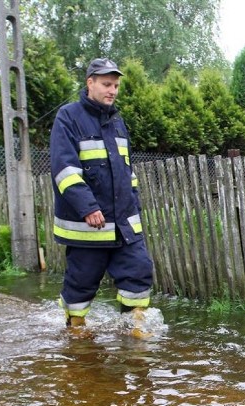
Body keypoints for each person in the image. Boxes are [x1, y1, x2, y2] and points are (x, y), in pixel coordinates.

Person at [49, 58, 154, 327]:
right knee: (81, 282)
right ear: (90, 83)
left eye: (116, 85)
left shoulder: (118, 122)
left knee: (139, 273)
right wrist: (88, 207)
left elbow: (126, 173)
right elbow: (64, 169)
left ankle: (135, 331)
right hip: (89, 226)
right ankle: (76, 332)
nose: (113, 90)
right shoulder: (68, 117)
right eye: (107, 84)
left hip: (123, 224)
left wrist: (135, 210)